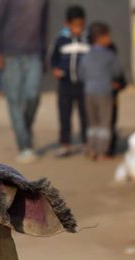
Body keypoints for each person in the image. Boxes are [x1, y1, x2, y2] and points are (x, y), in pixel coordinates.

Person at [0, 0, 49, 163]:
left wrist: (44, 52)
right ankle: (25, 146)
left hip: (34, 53)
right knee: (14, 100)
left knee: (33, 95)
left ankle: (25, 129)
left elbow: (44, 25)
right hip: (10, 54)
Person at [78, 22, 123, 161]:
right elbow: (117, 72)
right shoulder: (109, 55)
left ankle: (92, 149)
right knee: (105, 123)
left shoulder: (86, 55)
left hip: (89, 92)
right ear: (101, 38)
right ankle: (103, 152)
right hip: (104, 92)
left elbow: (81, 74)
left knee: (92, 123)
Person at [49, 5, 89, 158]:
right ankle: (65, 144)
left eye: (80, 25)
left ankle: (85, 142)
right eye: (75, 25)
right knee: (64, 115)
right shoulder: (60, 40)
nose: (78, 29)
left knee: (85, 115)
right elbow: (52, 58)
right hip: (65, 84)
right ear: (67, 24)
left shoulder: (87, 39)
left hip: (83, 84)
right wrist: (55, 69)